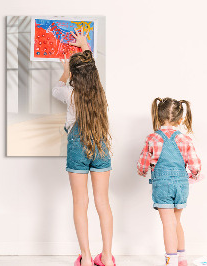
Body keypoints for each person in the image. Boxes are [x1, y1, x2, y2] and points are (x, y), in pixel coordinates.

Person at [52, 28, 115, 266]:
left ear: (75, 77)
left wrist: (66, 70)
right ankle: (107, 257)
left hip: (78, 149)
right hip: (100, 147)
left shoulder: (70, 95)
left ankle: (87, 258)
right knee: (103, 202)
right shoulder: (100, 93)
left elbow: (55, 89)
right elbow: (91, 71)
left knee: (81, 203)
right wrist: (86, 46)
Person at [137, 98, 202, 266]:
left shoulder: (152, 138)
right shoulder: (185, 139)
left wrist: (142, 171)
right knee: (176, 222)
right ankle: (182, 260)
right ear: (180, 120)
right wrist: (194, 176)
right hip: (181, 185)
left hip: (162, 186)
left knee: (168, 224)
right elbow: (195, 165)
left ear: (158, 117)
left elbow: (142, 164)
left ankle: (171, 261)